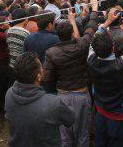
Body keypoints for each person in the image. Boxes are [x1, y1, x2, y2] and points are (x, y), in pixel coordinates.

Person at [43, 12, 94, 147]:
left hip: (63, 95)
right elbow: (90, 29)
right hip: (80, 94)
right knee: (82, 133)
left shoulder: (52, 52)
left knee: (65, 135)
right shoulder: (81, 45)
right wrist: (93, 10)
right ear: (72, 33)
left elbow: (47, 78)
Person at [5, 52, 75, 147]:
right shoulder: (53, 103)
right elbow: (71, 118)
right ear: (38, 76)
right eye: (41, 67)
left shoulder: (9, 94)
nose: (43, 69)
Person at [88, 19, 123, 147]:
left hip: (100, 110)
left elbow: (92, 41)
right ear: (113, 47)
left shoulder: (91, 59)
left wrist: (107, 21)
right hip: (119, 116)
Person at [6, 8, 30, 83]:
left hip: (11, 64)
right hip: (22, 66)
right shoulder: (26, 33)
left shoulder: (8, 31)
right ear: (25, 18)